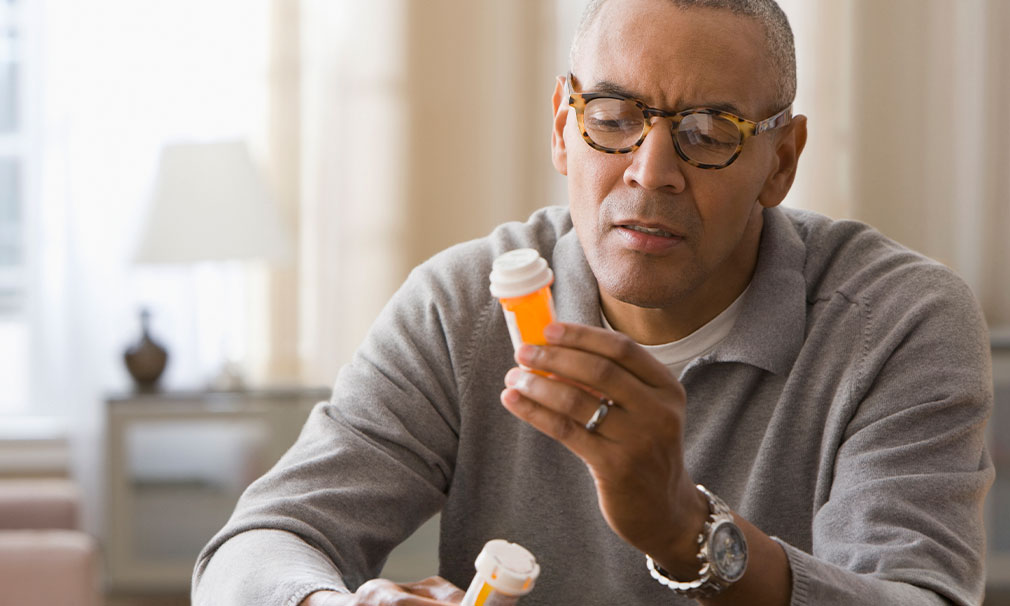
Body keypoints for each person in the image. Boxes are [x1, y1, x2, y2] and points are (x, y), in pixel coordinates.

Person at [192, 0, 994, 604]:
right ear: (562, 127)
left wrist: (686, 529)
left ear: (781, 161)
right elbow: (262, 541)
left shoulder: (900, 323)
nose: (651, 172)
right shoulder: (465, 306)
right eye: (613, 118)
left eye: (709, 132)